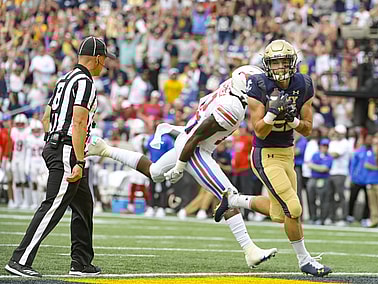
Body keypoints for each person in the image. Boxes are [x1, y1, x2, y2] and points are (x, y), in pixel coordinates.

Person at [87, 65, 278, 268]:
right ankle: (250, 249)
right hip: (194, 148)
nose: (260, 90)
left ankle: (105, 150)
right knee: (228, 194)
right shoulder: (233, 106)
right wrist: (180, 165)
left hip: (189, 139)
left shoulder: (230, 88)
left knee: (154, 172)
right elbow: (196, 137)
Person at [214, 40, 332, 277]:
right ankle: (304, 260)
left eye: (284, 62)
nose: (279, 67)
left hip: (288, 153)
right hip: (265, 154)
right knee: (294, 208)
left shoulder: (304, 84)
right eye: (275, 62)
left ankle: (234, 201)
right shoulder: (258, 85)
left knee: (280, 213)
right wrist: (271, 113)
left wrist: (293, 120)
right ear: (267, 65)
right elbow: (258, 130)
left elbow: (308, 129)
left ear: (293, 63)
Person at [5, 36, 115, 278]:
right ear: (97, 58)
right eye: (104, 60)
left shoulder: (64, 80)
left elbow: (46, 117)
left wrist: (52, 142)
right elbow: (78, 121)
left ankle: (81, 262)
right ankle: (19, 259)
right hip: (68, 150)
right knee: (53, 205)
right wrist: (78, 159)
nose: (104, 65)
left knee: (84, 205)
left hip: (57, 145)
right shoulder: (85, 82)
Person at [307, 138, 333, 225]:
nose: (324, 148)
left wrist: (315, 166)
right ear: (320, 146)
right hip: (313, 178)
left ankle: (322, 218)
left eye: (326, 146)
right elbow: (309, 165)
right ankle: (313, 217)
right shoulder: (315, 155)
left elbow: (324, 169)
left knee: (323, 200)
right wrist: (319, 167)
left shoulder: (329, 157)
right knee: (311, 198)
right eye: (323, 146)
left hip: (323, 179)